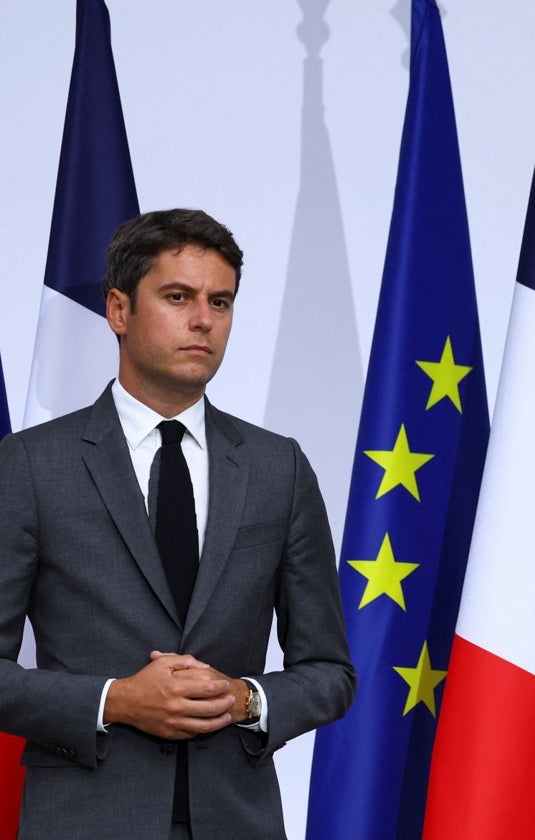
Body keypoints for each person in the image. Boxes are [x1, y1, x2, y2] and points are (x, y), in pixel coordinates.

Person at [0, 209, 355, 839]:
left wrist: (247, 699)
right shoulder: (30, 465)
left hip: (237, 821)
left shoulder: (280, 468)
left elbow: (330, 672)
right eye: (177, 297)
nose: (203, 320)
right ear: (118, 310)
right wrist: (114, 701)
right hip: (85, 821)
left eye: (220, 302)